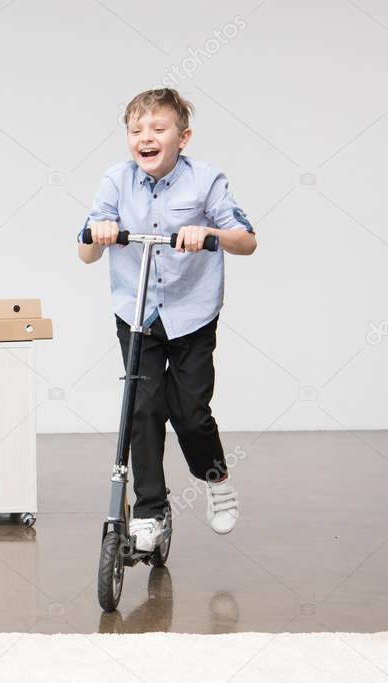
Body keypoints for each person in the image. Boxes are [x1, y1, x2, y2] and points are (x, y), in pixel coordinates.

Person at [78, 88, 257, 551]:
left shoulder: (206, 180)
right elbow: (85, 253)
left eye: (158, 129)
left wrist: (210, 231)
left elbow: (246, 240)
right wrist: (98, 235)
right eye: (136, 130)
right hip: (136, 312)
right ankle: (151, 510)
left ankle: (215, 479)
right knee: (143, 409)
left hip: (192, 313)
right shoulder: (115, 181)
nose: (146, 138)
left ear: (183, 137)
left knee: (191, 414)